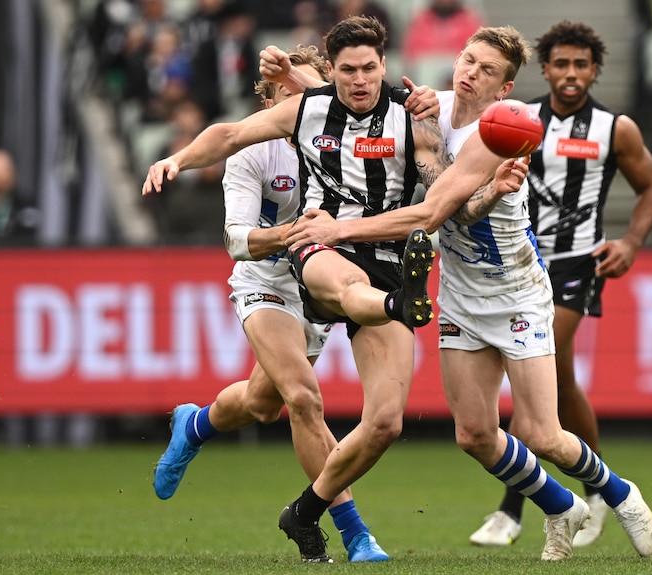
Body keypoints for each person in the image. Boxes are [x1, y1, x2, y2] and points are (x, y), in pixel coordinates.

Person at [142, 16, 516, 562]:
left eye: (368, 69)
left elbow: (445, 195)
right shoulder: (294, 121)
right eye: (347, 71)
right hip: (307, 253)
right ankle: (356, 530)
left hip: (384, 251)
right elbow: (227, 149)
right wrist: (175, 157)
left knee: (361, 417)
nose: (359, 80)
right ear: (330, 76)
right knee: (304, 394)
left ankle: (205, 429)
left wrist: (488, 196)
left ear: (384, 67)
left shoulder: (413, 119)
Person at [286, 24, 652, 561]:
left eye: (486, 70)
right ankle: (559, 507)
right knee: (473, 435)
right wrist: (300, 77)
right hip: (462, 295)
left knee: (542, 433)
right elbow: (356, 97)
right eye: (468, 59)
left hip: (515, 291)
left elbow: (430, 213)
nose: (469, 73)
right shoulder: (431, 104)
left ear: (505, 89)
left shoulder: (504, 130)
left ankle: (621, 494)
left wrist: (338, 230)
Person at [149, 45, 391, 562]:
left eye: (308, 92)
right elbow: (238, 240)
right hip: (265, 281)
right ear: (269, 101)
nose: (300, 105)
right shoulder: (254, 152)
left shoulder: (345, 140)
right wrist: (291, 235)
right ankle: (353, 534)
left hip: (318, 283)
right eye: (287, 94)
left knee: (263, 403)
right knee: (304, 399)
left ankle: (194, 424)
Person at [465, 20, 652, 549]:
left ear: (595, 71)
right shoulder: (519, 119)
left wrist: (631, 243)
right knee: (563, 385)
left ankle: (513, 510)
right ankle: (599, 495)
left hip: (579, 264)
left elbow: (650, 188)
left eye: (582, 65)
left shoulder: (615, 128)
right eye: (561, 63)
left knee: (540, 366)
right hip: (523, 262)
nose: (571, 74)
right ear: (547, 68)